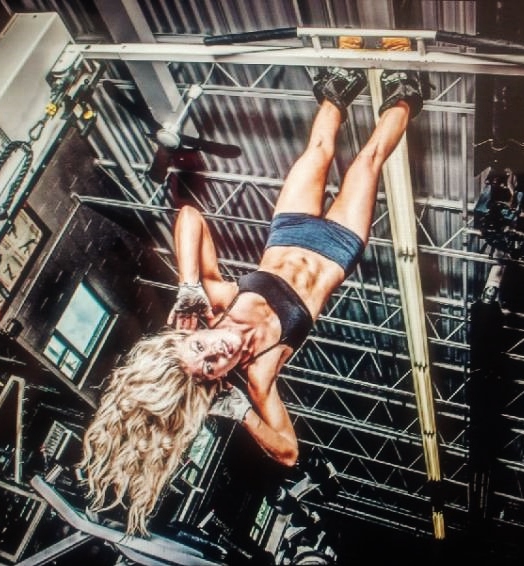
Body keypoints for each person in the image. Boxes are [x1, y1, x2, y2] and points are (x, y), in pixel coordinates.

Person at [81, 62, 423, 536]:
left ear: (191, 335)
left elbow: (190, 216)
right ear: (220, 380)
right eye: (211, 367)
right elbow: (289, 452)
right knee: (367, 161)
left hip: (290, 228)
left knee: (319, 149)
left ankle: (336, 89)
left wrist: (188, 284)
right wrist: (242, 413)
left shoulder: (217, 301)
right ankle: (405, 95)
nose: (215, 352)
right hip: (338, 247)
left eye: (199, 348)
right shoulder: (261, 373)